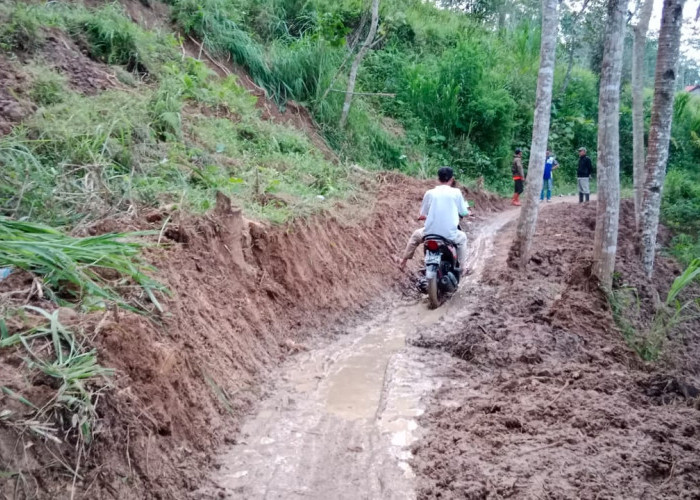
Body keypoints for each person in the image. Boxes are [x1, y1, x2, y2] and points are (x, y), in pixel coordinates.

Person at [398, 167, 469, 272]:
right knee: (462, 238)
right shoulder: (456, 192)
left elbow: (422, 214)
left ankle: (403, 262)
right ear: (452, 179)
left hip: (429, 233)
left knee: (415, 236)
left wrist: (425, 216)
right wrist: (468, 213)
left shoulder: (429, 193)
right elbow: (463, 212)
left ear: (438, 179)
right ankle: (463, 267)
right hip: (449, 235)